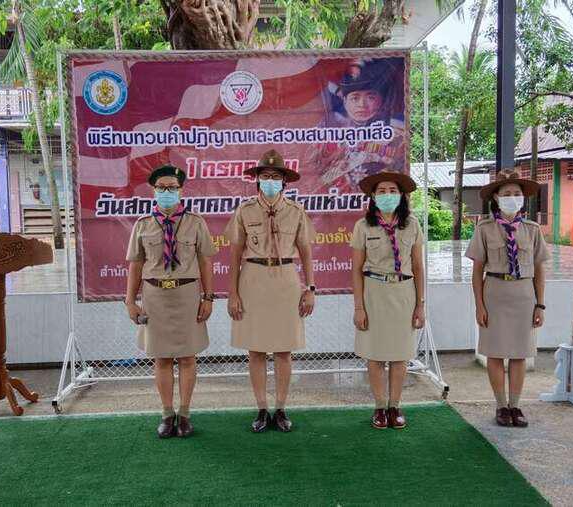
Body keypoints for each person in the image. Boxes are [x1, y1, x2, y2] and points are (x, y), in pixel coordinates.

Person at [124, 164, 218, 439]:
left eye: (172, 188)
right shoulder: (142, 224)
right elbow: (135, 265)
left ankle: (185, 414)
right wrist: (130, 301)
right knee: (162, 358)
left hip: (187, 295)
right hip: (155, 297)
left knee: (188, 357)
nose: (167, 192)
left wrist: (208, 297)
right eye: (162, 188)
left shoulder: (196, 222)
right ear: (153, 191)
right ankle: (167, 414)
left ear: (181, 190)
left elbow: (205, 262)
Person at [226, 149, 316, 433]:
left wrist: (310, 288)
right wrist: (233, 293)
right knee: (255, 350)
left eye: (275, 177)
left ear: (284, 182)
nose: (270, 181)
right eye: (265, 176)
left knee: (283, 350)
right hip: (252, 279)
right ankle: (262, 408)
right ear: (257, 180)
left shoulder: (296, 211)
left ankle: (281, 408)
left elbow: (306, 252)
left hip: (286, 280)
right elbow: (235, 254)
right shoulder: (244, 210)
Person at [464, 169, 550, 428]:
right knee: (495, 353)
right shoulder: (485, 229)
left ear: (523, 198)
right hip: (495, 294)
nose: (512, 198)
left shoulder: (532, 230)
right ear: (496, 198)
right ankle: (501, 405)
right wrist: (479, 306)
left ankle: (515, 405)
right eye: (507, 193)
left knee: (519, 354)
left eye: (516, 193)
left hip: (524, 296)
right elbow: (477, 271)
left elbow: (539, 270)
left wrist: (540, 304)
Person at [350, 171, 425, 430]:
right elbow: (356, 269)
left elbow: (418, 266)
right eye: (381, 191)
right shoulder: (363, 226)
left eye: (392, 190)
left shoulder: (412, 225)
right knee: (375, 355)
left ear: (401, 195)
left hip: (404, 293)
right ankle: (380, 406)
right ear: (373, 196)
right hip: (374, 292)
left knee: (400, 354)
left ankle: (395, 406)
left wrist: (420, 304)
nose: (387, 195)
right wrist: (359, 307)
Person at [317, 58, 405, 192]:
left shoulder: (395, 132)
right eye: (355, 98)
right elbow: (320, 175)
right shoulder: (329, 129)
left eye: (371, 97)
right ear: (344, 101)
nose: (362, 105)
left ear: (381, 100)